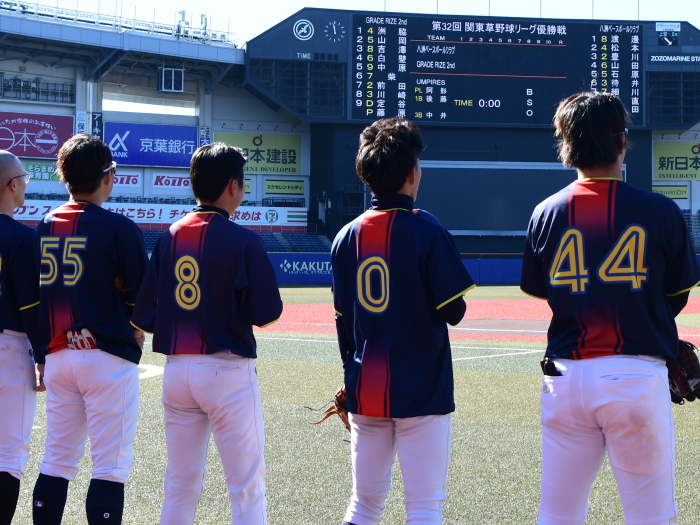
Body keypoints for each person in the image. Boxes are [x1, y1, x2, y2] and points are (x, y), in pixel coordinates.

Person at [520, 91, 700, 525]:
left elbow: (546, 293)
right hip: (636, 375)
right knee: (652, 517)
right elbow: (676, 296)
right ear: (622, 142)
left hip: (565, 377)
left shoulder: (545, 212)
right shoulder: (660, 211)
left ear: (567, 146)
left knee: (558, 516)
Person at [331, 117, 474, 525]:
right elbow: (454, 311)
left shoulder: (345, 236)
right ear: (412, 173)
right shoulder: (426, 228)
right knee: (425, 508)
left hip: (366, 387)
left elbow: (343, 322)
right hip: (421, 388)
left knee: (363, 504)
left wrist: (351, 377)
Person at [131, 143, 283, 525]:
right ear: (233, 186)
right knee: (246, 487)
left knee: (180, 485)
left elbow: (144, 314)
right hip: (226, 371)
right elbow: (267, 313)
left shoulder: (169, 236)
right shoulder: (243, 239)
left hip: (176, 371)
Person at [31, 135, 148, 525]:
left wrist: (42, 352)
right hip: (106, 354)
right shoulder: (119, 227)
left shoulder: (46, 224)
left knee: (56, 460)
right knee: (111, 466)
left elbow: (37, 296)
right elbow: (142, 296)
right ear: (107, 176)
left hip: (58, 354)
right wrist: (135, 330)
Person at [0, 151, 41, 525]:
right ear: (12, 185)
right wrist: (44, 356)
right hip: (10, 348)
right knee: (9, 457)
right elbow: (30, 306)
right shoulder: (22, 237)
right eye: (24, 179)